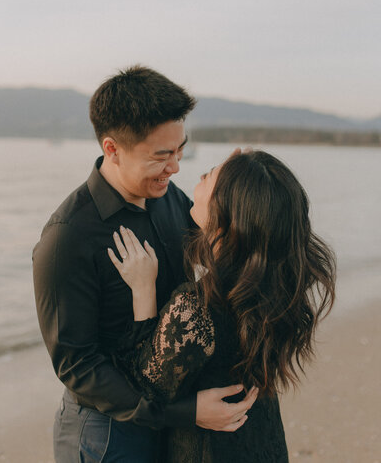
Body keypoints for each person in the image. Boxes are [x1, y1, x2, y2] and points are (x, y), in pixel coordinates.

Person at [33, 66, 258, 463]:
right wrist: (185, 413)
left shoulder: (169, 197)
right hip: (105, 435)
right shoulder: (68, 238)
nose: (175, 167)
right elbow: (78, 367)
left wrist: (239, 193)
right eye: (161, 155)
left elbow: (217, 249)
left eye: (180, 150)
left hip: (166, 420)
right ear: (112, 149)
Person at [107, 149, 337, 463]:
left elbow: (142, 387)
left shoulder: (197, 308)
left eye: (209, 175)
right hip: (263, 444)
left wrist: (143, 290)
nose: (200, 177)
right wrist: (245, 173)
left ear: (225, 217)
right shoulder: (274, 291)